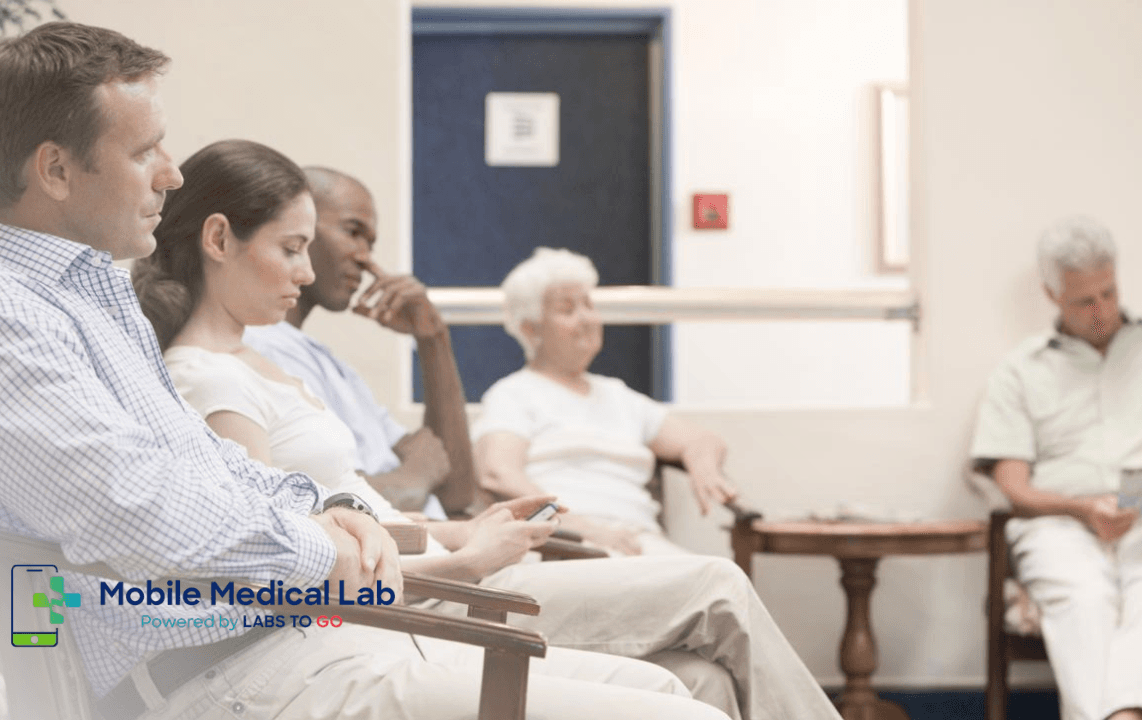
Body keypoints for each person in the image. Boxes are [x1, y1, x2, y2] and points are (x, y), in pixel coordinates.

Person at [0, 22, 725, 720]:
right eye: (142, 151)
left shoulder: (90, 293)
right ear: (55, 170)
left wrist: (332, 506)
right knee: (682, 713)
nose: (171, 174)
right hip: (207, 671)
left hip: (283, 637)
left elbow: (208, 469)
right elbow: (136, 507)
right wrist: (332, 551)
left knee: (671, 691)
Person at [137, 150, 844, 720]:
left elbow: (345, 516)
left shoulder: (264, 364)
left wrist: (449, 533)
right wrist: (464, 559)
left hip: (391, 597)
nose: (309, 271)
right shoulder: (207, 379)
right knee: (702, 633)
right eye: (293, 247)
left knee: (690, 685)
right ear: (220, 239)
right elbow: (278, 572)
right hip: (350, 631)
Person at [970, 216, 1142, 720]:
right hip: (1059, 525)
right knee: (1083, 600)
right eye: (1083, 302)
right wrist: (1081, 508)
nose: (1101, 312)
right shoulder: (1019, 372)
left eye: (1109, 293)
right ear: (1051, 294)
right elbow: (1012, 486)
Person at [473, 247, 738, 556]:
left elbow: (702, 439)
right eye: (567, 309)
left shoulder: (617, 395)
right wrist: (586, 529)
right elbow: (497, 473)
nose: (585, 318)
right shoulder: (514, 393)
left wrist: (703, 464)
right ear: (531, 329)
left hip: (635, 540)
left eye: (588, 304)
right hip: (562, 544)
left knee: (723, 579)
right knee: (719, 581)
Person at [243, 166, 473, 519]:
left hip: (447, 550)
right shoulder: (259, 347)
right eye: (353, 232)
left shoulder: (331, 364)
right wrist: (414, 477)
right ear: (298, 228)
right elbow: (322, 505)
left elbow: (455, 493)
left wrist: (433, 339)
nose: (366, 257)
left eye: (371, 242)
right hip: (402, 568)